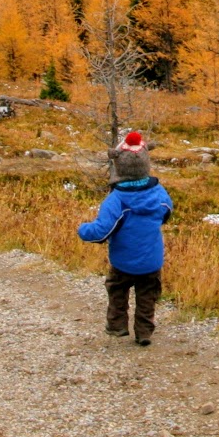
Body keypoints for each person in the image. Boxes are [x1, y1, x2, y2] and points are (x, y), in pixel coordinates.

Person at [77, 130, 173, 346]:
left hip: (123, 262)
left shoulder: (116, 199)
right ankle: (144, 332)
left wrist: (83, 230)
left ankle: (118, 326)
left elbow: (102, 231)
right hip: (151, 261)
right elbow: (166, 213)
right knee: (147, 297)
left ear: (119, 165)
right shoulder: (159, 193)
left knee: (117, 290)